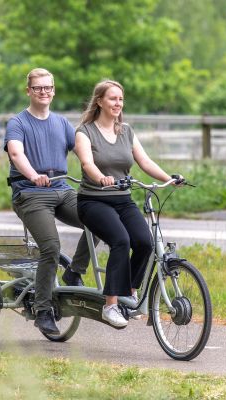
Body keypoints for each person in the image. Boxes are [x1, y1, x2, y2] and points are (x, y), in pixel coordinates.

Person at [75, 79, 183, 327]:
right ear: (100, 101)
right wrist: (101, 178)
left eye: (120, 99)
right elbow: (86, 163)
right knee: (121, 241)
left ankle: (129, 295)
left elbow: (145, 162)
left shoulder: (126, 131)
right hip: (93, 200)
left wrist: (169, 178)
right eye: (112, 98)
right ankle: (110, 305)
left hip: (122, 199)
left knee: (145, 243)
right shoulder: (85, 132)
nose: (117, 103)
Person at [4, 68, 89, 336]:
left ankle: (74, 272)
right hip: (30, 193)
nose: (44, 92)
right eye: (38, 88)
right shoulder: (17, 122)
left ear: (53, 90)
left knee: (99, 218)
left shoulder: (63, 123)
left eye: (48, 88)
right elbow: (16, 154)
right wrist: (33, 175)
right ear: (28, 91)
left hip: (62, 189)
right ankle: (43, 310)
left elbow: (85, 152)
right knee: (51, 246)